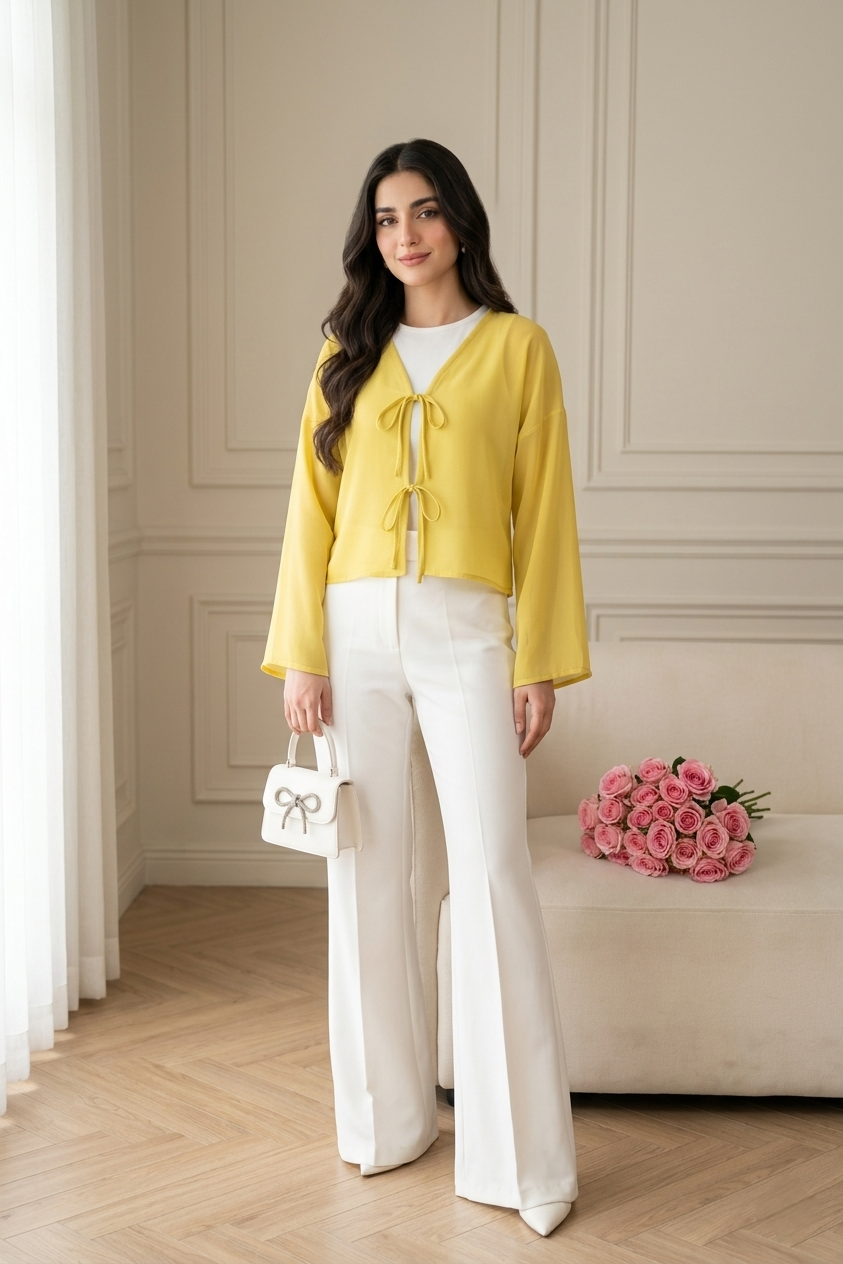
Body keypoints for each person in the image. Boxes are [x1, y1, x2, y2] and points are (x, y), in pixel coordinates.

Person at [262, 138, 590, 1238]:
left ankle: (522, 1160)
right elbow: (309, 509)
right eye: (388, 216)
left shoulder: (517, 348)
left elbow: (544, 515)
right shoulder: (344, 348)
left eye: (426, 212)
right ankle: (384, 1119)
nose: (405, 235)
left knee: (493, 870)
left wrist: (540, 657)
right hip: (352, 629)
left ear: (460, 224)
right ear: (374, 234)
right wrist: (301, 651)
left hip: (467, 628)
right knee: (368, 874)